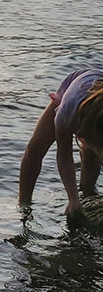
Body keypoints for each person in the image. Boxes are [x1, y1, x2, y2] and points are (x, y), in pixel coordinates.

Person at [18, 67, 103, 227]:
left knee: (91, 155)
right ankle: (24, 204)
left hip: (97, 101)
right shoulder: (65, 114)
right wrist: (72, 198)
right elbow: (64, 155)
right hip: (73, 89)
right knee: (35, 149)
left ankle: (87, 193)